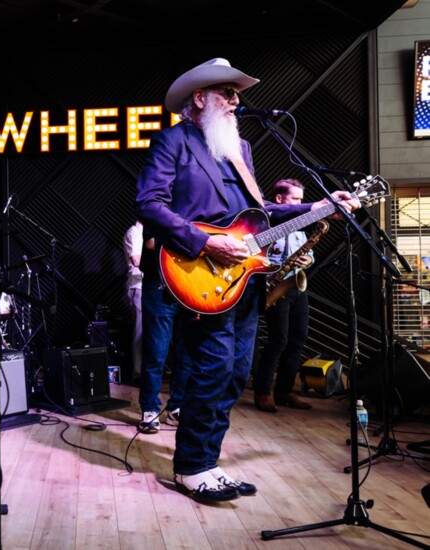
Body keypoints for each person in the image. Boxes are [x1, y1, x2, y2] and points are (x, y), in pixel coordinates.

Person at [136, 57, 361, 503]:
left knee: (237, 372)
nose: (238, 102)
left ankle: (209, 461)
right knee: (213, 367)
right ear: (199, 99)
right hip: (199, 271)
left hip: (245, 279)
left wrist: (317, 206)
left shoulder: (242, 151)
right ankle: (192, 466)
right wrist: (204, 243)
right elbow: (149, 204)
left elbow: (260, 214)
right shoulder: (172, 141)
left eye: (238, 94)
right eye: (228, 93)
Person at [254, 179, 314, 413]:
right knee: (277, 340)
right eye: (295, 199)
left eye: (302, 199)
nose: (301, 204)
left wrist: (308, 260)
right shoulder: (266, 225)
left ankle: (285, 390)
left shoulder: (300, 226)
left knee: (298, 338)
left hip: (297, 285)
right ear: (279, 199)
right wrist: (270, 275)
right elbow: (255, 256)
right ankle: (263, 392)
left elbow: (311, 255)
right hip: (275, 285)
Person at [137, 233, 191, 434]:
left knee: (186, 355)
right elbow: (152, 242)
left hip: (190, 283)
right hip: (160, 283)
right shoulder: (159, 203)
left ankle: (175, 407)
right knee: (156, 352)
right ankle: (150, 408)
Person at [123, 221, 144, 382]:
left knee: (147, 334)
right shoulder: (134, 233)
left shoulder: (148, 232)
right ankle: (138, 373)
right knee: (139, 333)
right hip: (139, 287)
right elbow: (137, 261)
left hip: (148, 286)